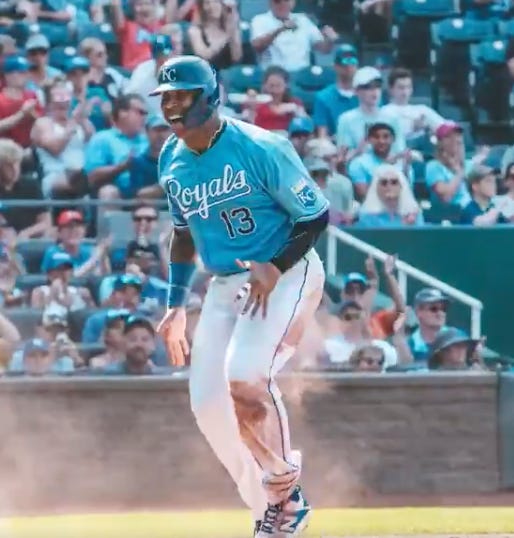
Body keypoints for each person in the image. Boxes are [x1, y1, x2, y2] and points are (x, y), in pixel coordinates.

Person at [153, 55, 329, 537]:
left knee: (247, 374)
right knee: (208, 405)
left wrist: (276, 265)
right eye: (165, 96)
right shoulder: (171, 157)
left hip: (285, 271)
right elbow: (183, 234)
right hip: (227, 283)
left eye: (180, 94)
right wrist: (174, 305)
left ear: (208, 97)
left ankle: (284, 493)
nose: (170, 105)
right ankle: (269, 512)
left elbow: (314, 217)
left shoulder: (259, 145)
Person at [188, 0, 242, 71]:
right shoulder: (195, 30)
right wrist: (225, 37)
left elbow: (236, 57)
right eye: (207, 3)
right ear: (202, 7)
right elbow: (204, 56)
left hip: (227, 76)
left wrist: (232, 30)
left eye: (216, 1)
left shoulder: (231, 29)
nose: (212, 6)